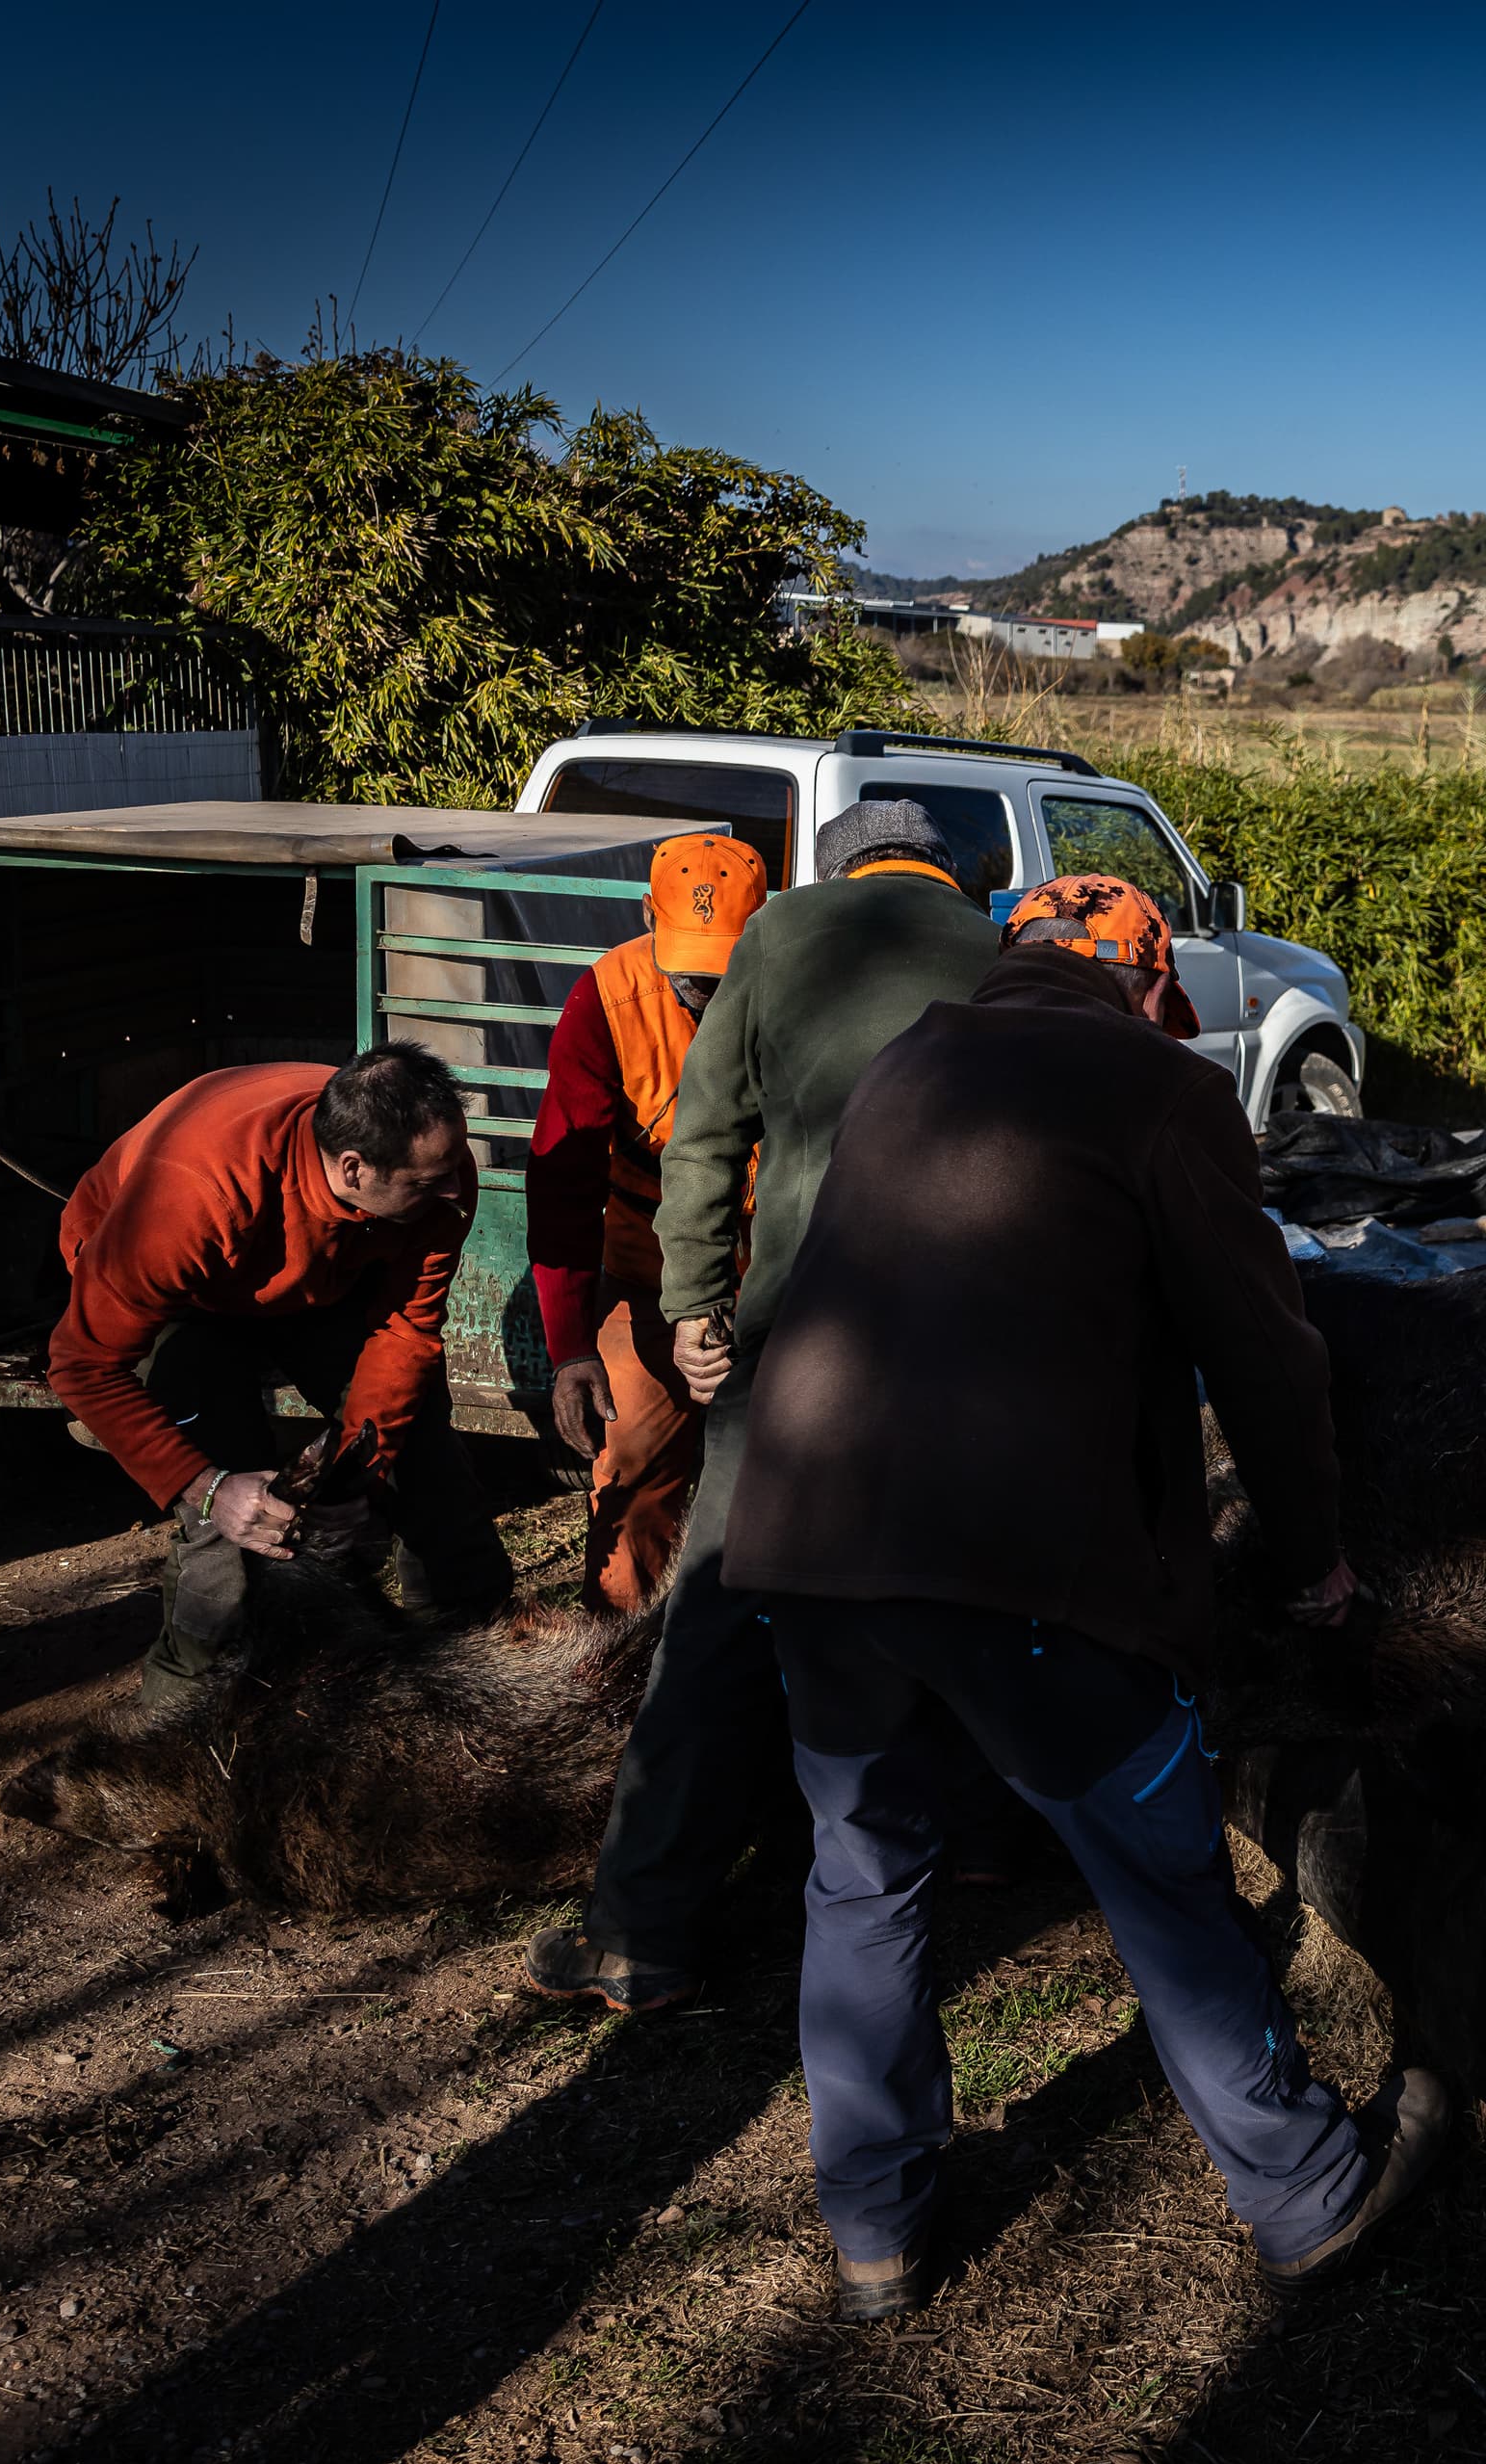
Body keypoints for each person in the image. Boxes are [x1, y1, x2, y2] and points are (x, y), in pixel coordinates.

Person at [723, 872, 1439, 2318]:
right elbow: (1262, 1350)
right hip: (1021, 1561)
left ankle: (875, 2231)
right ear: (1149, 982)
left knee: (861, 1876)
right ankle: (1308, 2191)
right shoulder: (1157, 1084)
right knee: (1160, 1878)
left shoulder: (904, 1064)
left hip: (809, 1539)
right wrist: (1313, 1551)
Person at [523, 799, 1000, 2012]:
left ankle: (641, 1933)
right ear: (946, 873)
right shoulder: (1002, 948)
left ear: (829, 872)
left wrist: (694, 1305)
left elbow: (706, 1134)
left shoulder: (783, 935)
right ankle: (976, 1840)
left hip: (800, 1336)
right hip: (970, 1342)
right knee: (963, 1590)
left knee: (719, 1613)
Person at [45, 1042, 511, 1712]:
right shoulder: (191, 1192)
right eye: (427, 1181)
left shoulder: (438, 1173)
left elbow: (405, 1331)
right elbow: (83, 1363)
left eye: (451, 1168)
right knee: (238, 1520)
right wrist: (208, 1487)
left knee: (421, 1449)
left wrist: (362, 1469)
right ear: (353, 1167)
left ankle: (471, 1669)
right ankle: (184, 1720)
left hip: (314, 1276)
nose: (455, 1190)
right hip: (183, 1294)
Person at [524, 830, 771, 1612]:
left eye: (723, 971)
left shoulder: (802, 990)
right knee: (629, 1459)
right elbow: (563, 1183)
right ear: (646, 916)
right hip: (648, 1278)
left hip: (780, 1278)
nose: (704, 992)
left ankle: (765, 1650)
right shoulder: (605, 999)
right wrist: (570, 1348)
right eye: (689, 973)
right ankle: (615, 1649)